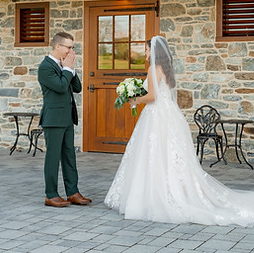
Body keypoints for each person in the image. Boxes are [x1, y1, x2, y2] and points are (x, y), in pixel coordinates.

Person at [104, 36, 254, 226]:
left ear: (154, 51)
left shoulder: (153, 69)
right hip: (169, 115)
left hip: (156, 115)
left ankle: (155, 196)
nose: (146, 53)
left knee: (154, 154)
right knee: (168, 154)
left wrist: (135, 100)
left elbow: (151, 96)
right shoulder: (167, 70)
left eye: (147, 49)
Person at [38, 32, 91, 207]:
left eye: (72, 47)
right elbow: (61, 87)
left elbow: (77, 88)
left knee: (69, 156)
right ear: (58, 46)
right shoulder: (45, 67)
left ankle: (73, 192)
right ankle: (51, 194)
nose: (71, 50)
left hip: (67, 118)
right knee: (53, 158)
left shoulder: (64, 65)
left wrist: (70, 68)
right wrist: (67, 69)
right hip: (53, 119)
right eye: (68, 47)